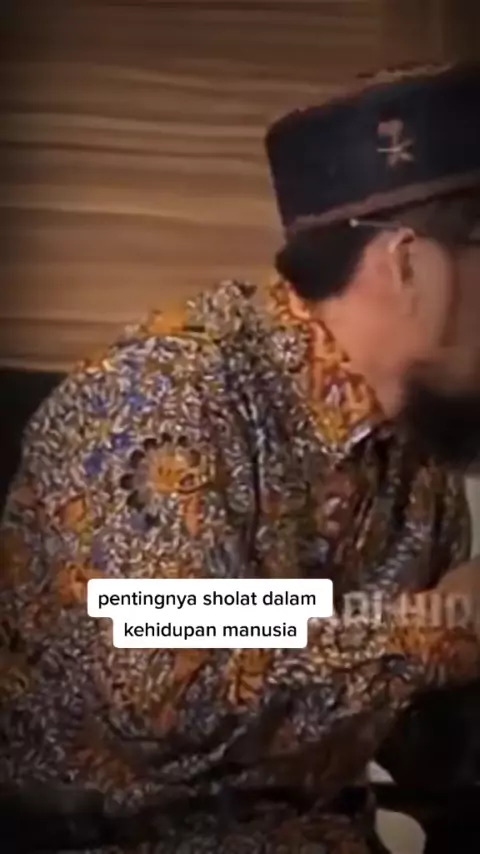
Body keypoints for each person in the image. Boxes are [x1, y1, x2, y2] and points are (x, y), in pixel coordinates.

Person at [1, 62, 480, 854]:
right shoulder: (163, 393)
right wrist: (440, 629)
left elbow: (420, 730)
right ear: (408, 265)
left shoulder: (414, 449)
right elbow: (165, 667)